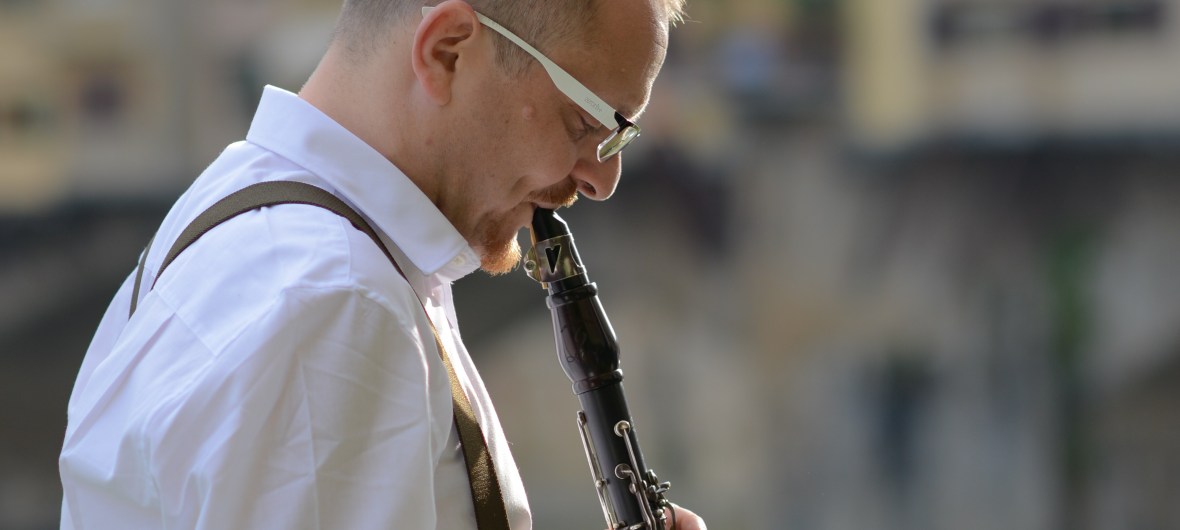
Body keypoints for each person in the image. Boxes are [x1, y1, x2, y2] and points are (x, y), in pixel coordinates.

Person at [59, 0, 705, 528]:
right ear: (447, 51)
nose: (602, 180)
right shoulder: (334, 306)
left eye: (619, 135)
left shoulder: (239, 217)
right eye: (585, 123)